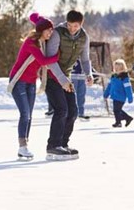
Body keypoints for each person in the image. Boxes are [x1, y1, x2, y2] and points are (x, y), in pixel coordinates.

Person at [44, 10, 94, 160]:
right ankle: (53, 145)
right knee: (61, 109)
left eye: (76, 26)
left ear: (81, 24)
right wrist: (63, 80)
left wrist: (88, 74)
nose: (72, 29)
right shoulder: (58, 33)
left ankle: (63, 144)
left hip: (65, 76)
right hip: (52, 75)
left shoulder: (84, 37)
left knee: (73, 111)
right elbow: (50, 60)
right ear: (66, 22)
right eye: (70, 25)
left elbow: (85, 59)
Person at [9, 13, 58, 160]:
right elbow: (43, 61)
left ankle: (24, 147)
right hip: (19, 81)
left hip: (30, 82)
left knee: (29, 116)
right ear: (41, 31)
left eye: (52, 30)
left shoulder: (43, 43)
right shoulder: (31, 42)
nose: (51, 33)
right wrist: (58, 56)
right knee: (25, 114)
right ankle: (22, 147)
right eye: (48, 30)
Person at [104, 59, 134, 128]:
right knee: (117, 110)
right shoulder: (113, 77)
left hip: (121, 96)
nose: (117, 70)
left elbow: (128, 88)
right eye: (116, 68)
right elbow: (109, 86)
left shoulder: (124, 78)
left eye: (119, 69)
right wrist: (106, 93)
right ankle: (127, 118)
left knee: (116, 110)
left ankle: (118, 122)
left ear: (123, 68)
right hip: (115, 96)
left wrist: (130, 97)